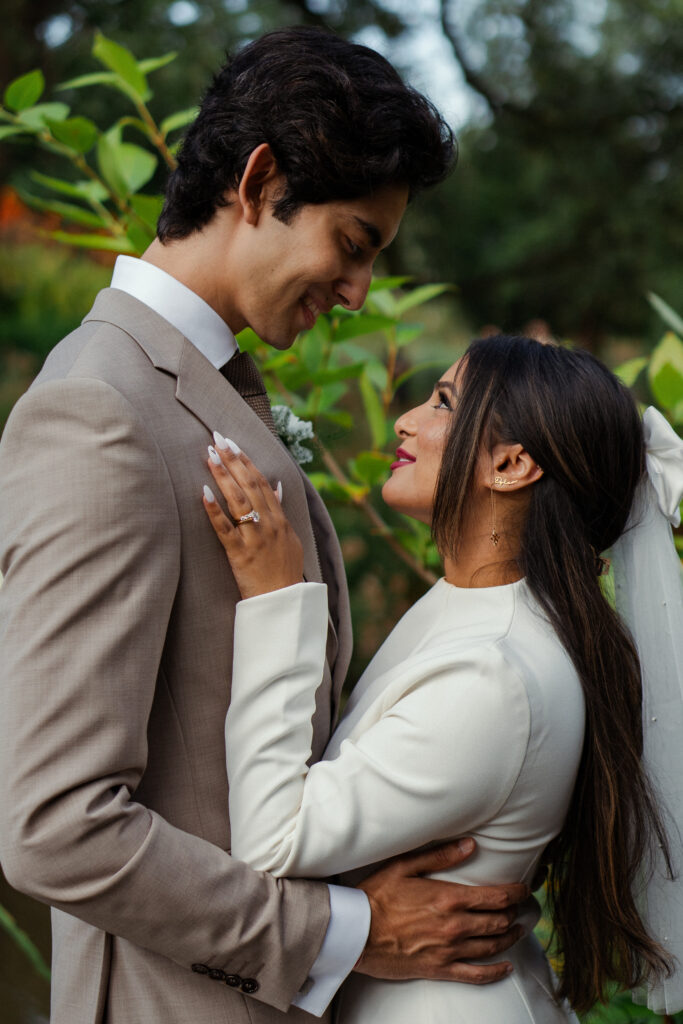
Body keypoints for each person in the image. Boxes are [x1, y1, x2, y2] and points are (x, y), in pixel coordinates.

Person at [0, 28, 529, 1024]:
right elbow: (55, 828)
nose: (357, 292)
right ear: (257, 181)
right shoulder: (99, 413)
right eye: (352, 245)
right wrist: (347, 930)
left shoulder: (203, 388)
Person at [202, 334, 683, 1022]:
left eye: (442, 403)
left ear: (510, 466)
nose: (405, 420)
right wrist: (361, 919)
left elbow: (274, 838)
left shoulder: (495, 675)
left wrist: (275, 599)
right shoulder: (479, 609)